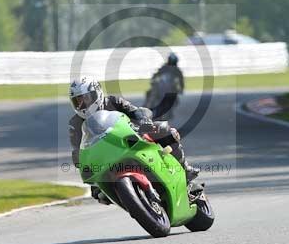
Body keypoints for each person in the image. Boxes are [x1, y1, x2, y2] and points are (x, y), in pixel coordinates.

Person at [68, 77, 201, 204]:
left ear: (97, 93)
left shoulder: (113, 101)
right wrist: (81, 164)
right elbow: (77, 149)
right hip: (104, 157)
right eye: (77, 101)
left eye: (85, 98)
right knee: (99, 194)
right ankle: (127, 197)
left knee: (167, 131)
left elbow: (135, 112)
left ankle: (184, 169)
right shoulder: (75, 123)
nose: (82, 104)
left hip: (132, 138)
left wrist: (145, 122)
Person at [145, 53, 184, 120]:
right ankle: (146, 110)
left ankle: (148, 110)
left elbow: (181, 81)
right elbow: (155, 76)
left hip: (168, 88)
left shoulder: (169, 68)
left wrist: (181, 89)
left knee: (175, 100)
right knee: (150, 95)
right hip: (161, 87)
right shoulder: (171, 69)